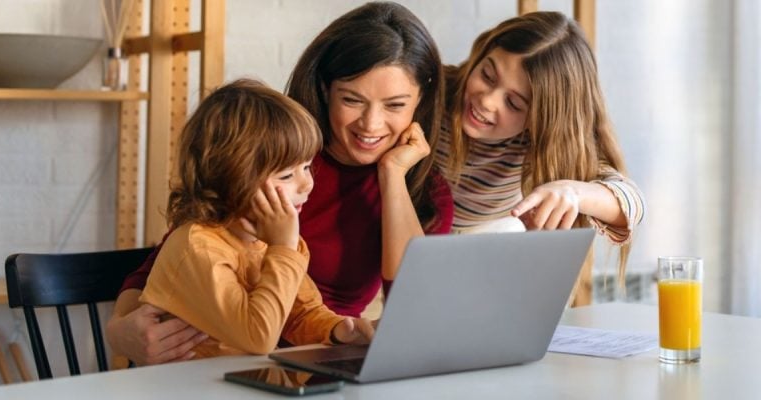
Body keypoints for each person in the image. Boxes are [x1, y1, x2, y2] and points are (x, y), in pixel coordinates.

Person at [106, 1, 453, 365]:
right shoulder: (276, 155)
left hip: (314, 361)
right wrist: (118, 329)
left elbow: (413, 311)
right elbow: (176, 255)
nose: (370, 124)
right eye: (352, 100)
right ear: (324, 88)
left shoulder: (424, 194)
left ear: (422, 99)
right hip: (218, 367)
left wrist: (392, 177)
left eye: (395, 105)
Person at [137, 79, 373, 358]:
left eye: (307, 167)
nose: (307, 184)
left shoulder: (264, 240)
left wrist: (337, 330)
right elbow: (257, 338)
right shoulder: (199, 247)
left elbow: (299, 315)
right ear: (232, 177)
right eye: (287, 175)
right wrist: (283, 249)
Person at [435, 11, 645, 290]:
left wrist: (573, 192)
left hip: (477, 272)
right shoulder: (430, 95)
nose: (487, 101)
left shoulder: (536, 145)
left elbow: (631, 204)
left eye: (514, 103)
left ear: (540, 120)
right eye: (487, 75)